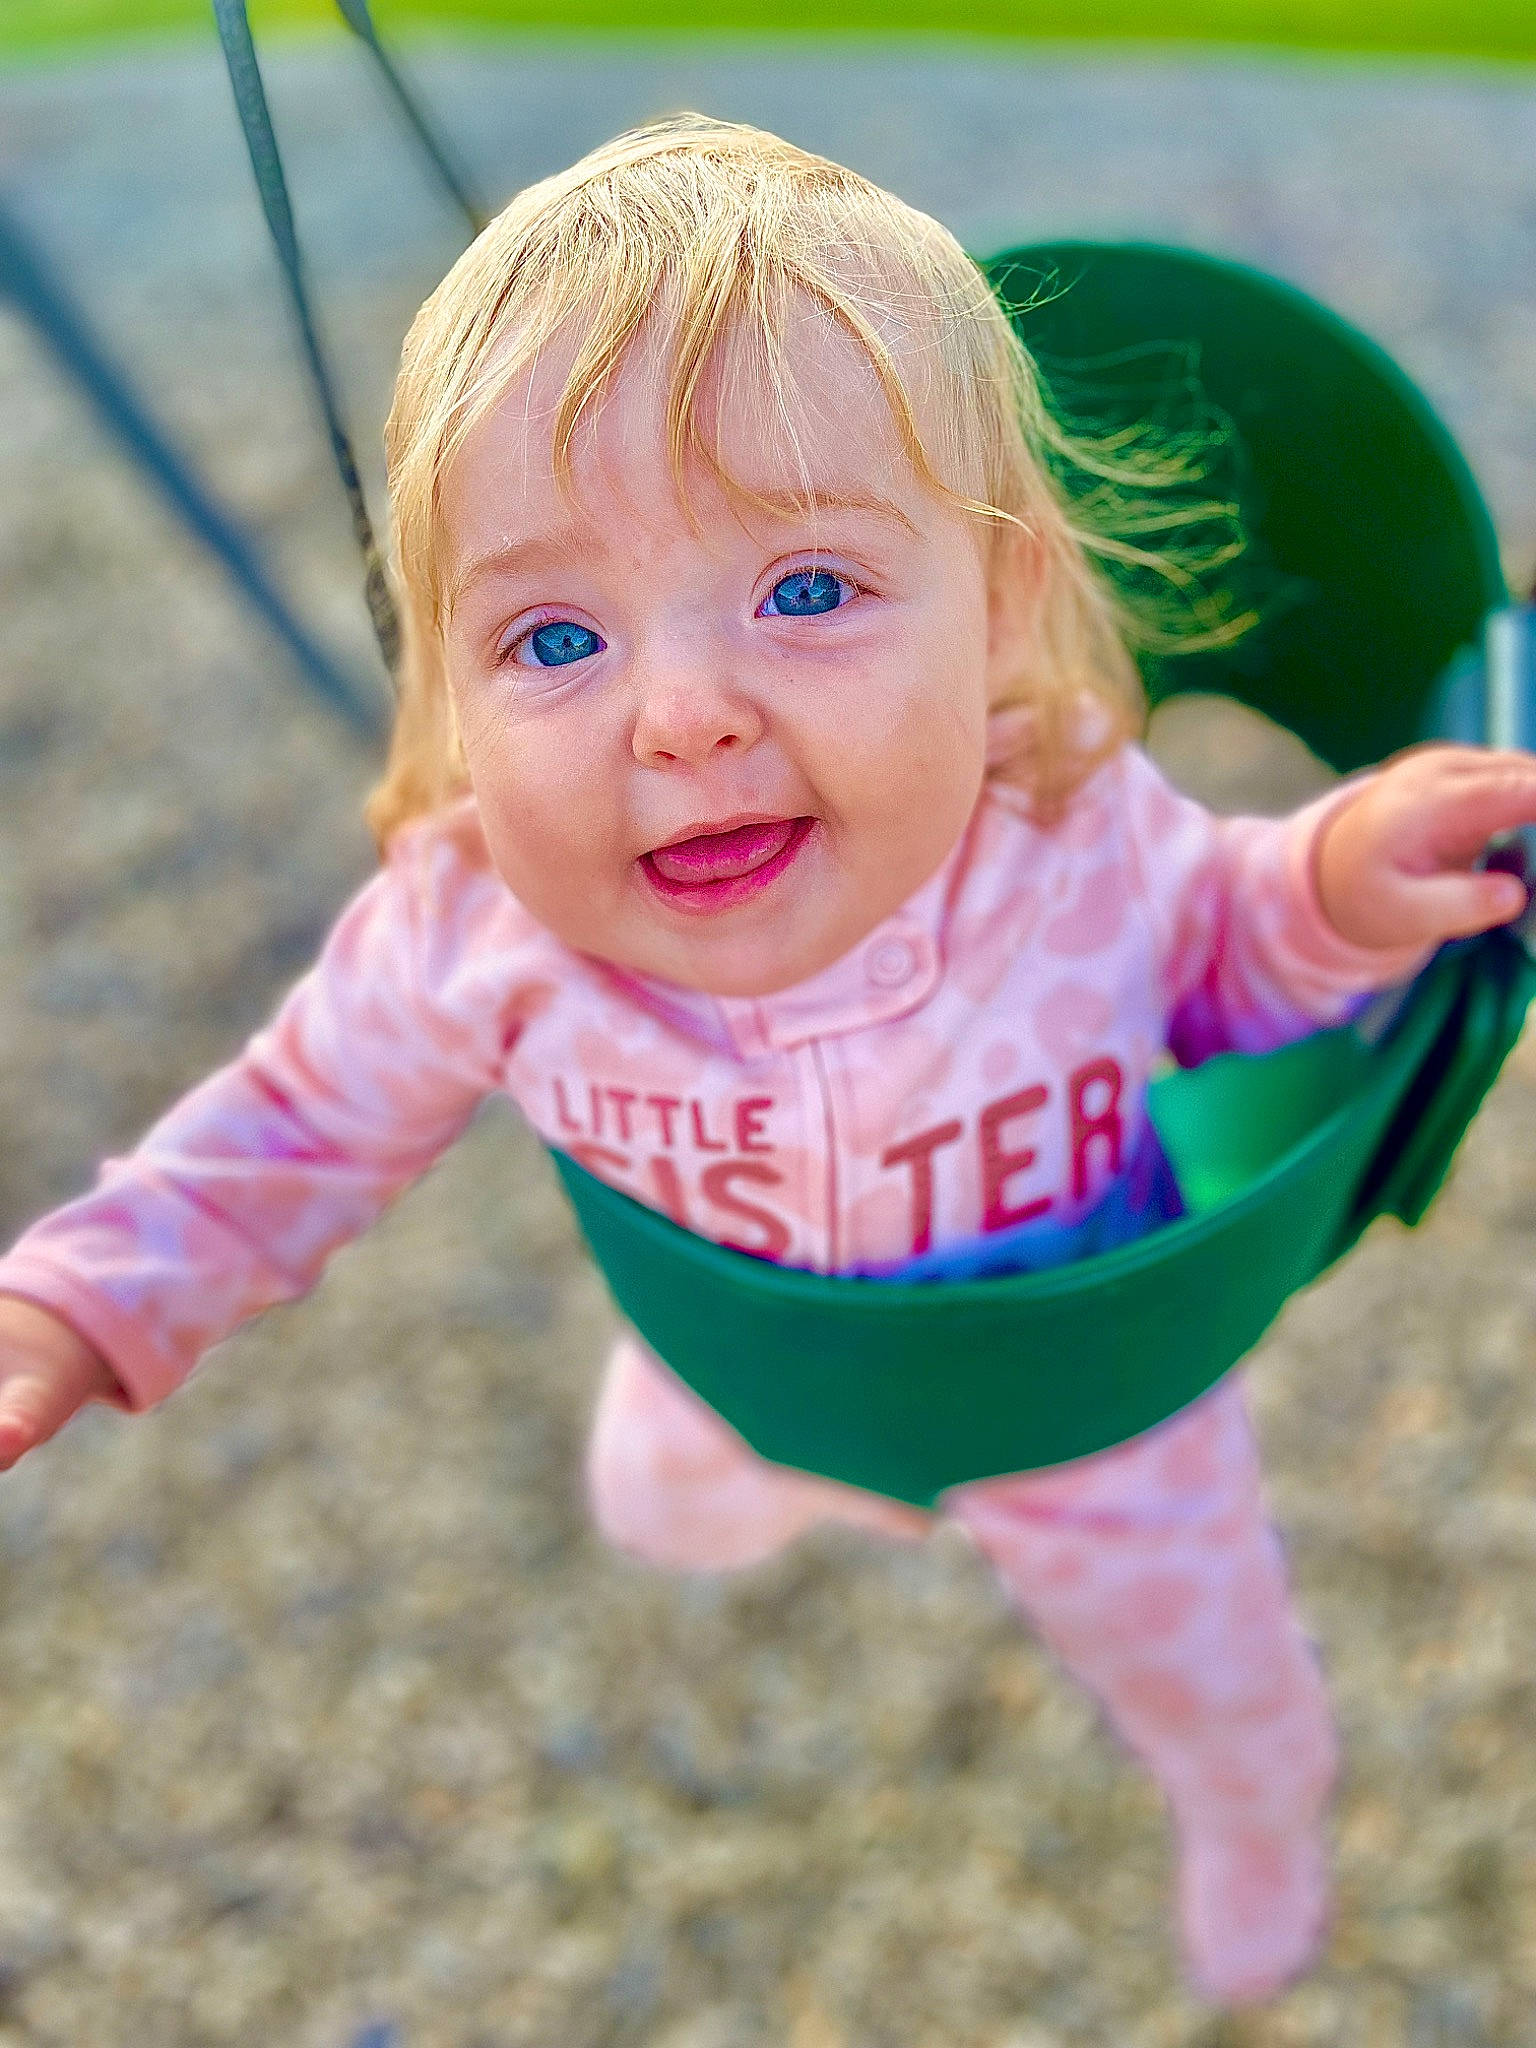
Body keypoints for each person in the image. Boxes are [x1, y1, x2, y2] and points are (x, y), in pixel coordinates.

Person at [0, 116, 1532, 2005]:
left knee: (1204, 1648)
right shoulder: (484, 930)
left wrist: (1345, 887)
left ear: (1001, 610)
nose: (686, 712)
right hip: (756, 1353)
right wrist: (81, 1301)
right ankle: (843, 1479)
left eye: (806, 591)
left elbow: (1224, 953)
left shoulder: (1063, 835)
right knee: (657, 1494)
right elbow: (292, 1126)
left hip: (1087, 1377)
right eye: (555, 633)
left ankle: (1257, 1809)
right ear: (459, 698)